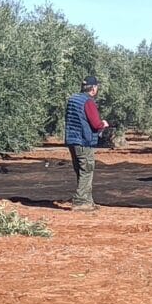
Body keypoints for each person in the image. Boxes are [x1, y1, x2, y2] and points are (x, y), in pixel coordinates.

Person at [62, 77, 108, 210]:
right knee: (87, 170)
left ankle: (88, 200)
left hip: (72, 140)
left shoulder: (72, 99)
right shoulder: (88, 102)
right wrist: (103, 124)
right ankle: (81, 201)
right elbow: (95, 123)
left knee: (81, 170)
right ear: (93, 88)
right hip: (84, 141)